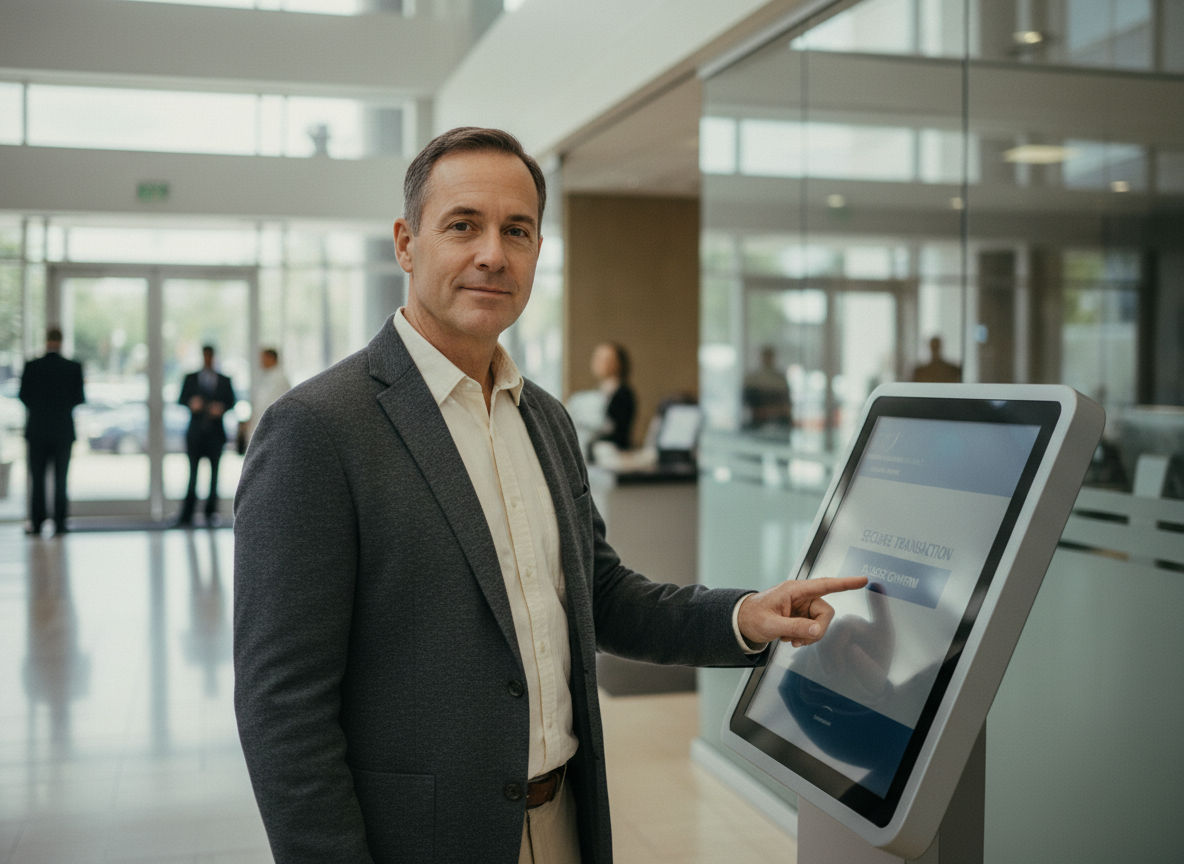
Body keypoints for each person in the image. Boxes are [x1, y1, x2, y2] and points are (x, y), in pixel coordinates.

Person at [232, 127, 866, 864]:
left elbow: (601, 595)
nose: (492, 254)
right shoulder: (316, 430)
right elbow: (282, 706)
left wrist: (741, 616)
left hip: (564, 818)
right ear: (406, 244)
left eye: (517, 231)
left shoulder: (545, 419)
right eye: (463, 225)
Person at [19, 328, 85, 536]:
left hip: (37, 430)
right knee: (61, 479)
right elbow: (78, 398)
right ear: (61, 341)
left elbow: (23, 396)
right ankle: (59, 523)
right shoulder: (73, 367)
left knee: (37, 480)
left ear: (46, 340)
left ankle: (37, 523)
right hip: (62, 431)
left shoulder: (32, 366)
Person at [176, 346, 235, 526]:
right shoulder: (191, 378)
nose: (208, 359)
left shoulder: (224, 379)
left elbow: (232, 401)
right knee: (192, 474)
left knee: (214, 475)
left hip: (215, 435)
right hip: (196, 434)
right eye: (205, 356)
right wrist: (191, 403)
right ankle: (187, 514)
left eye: (210, 356)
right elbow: (181, 399)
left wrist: (221, 408)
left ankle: (211, 513)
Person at [589, 341, 635, 453]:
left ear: (618, 364)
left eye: (606, 359)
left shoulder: (623, 394)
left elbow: (616, 430)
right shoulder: (597, 392)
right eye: (597, 358)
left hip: (613, 453)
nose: (598, 363)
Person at [742, 345, 792, 429]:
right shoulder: (753, 378)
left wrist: (775, 411)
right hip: (757, 421)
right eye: (766, 356)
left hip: (779, 420)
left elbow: (786, 404)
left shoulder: (780, 379)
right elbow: (748, 405)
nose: (767, 359)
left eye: (770, 356)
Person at [245, 348, 290, 441]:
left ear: (271, 358)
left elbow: (270, 405)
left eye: (264, 358)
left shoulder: (280, 378)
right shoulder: (266, 377)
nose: (261, 362)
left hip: (271, 428)